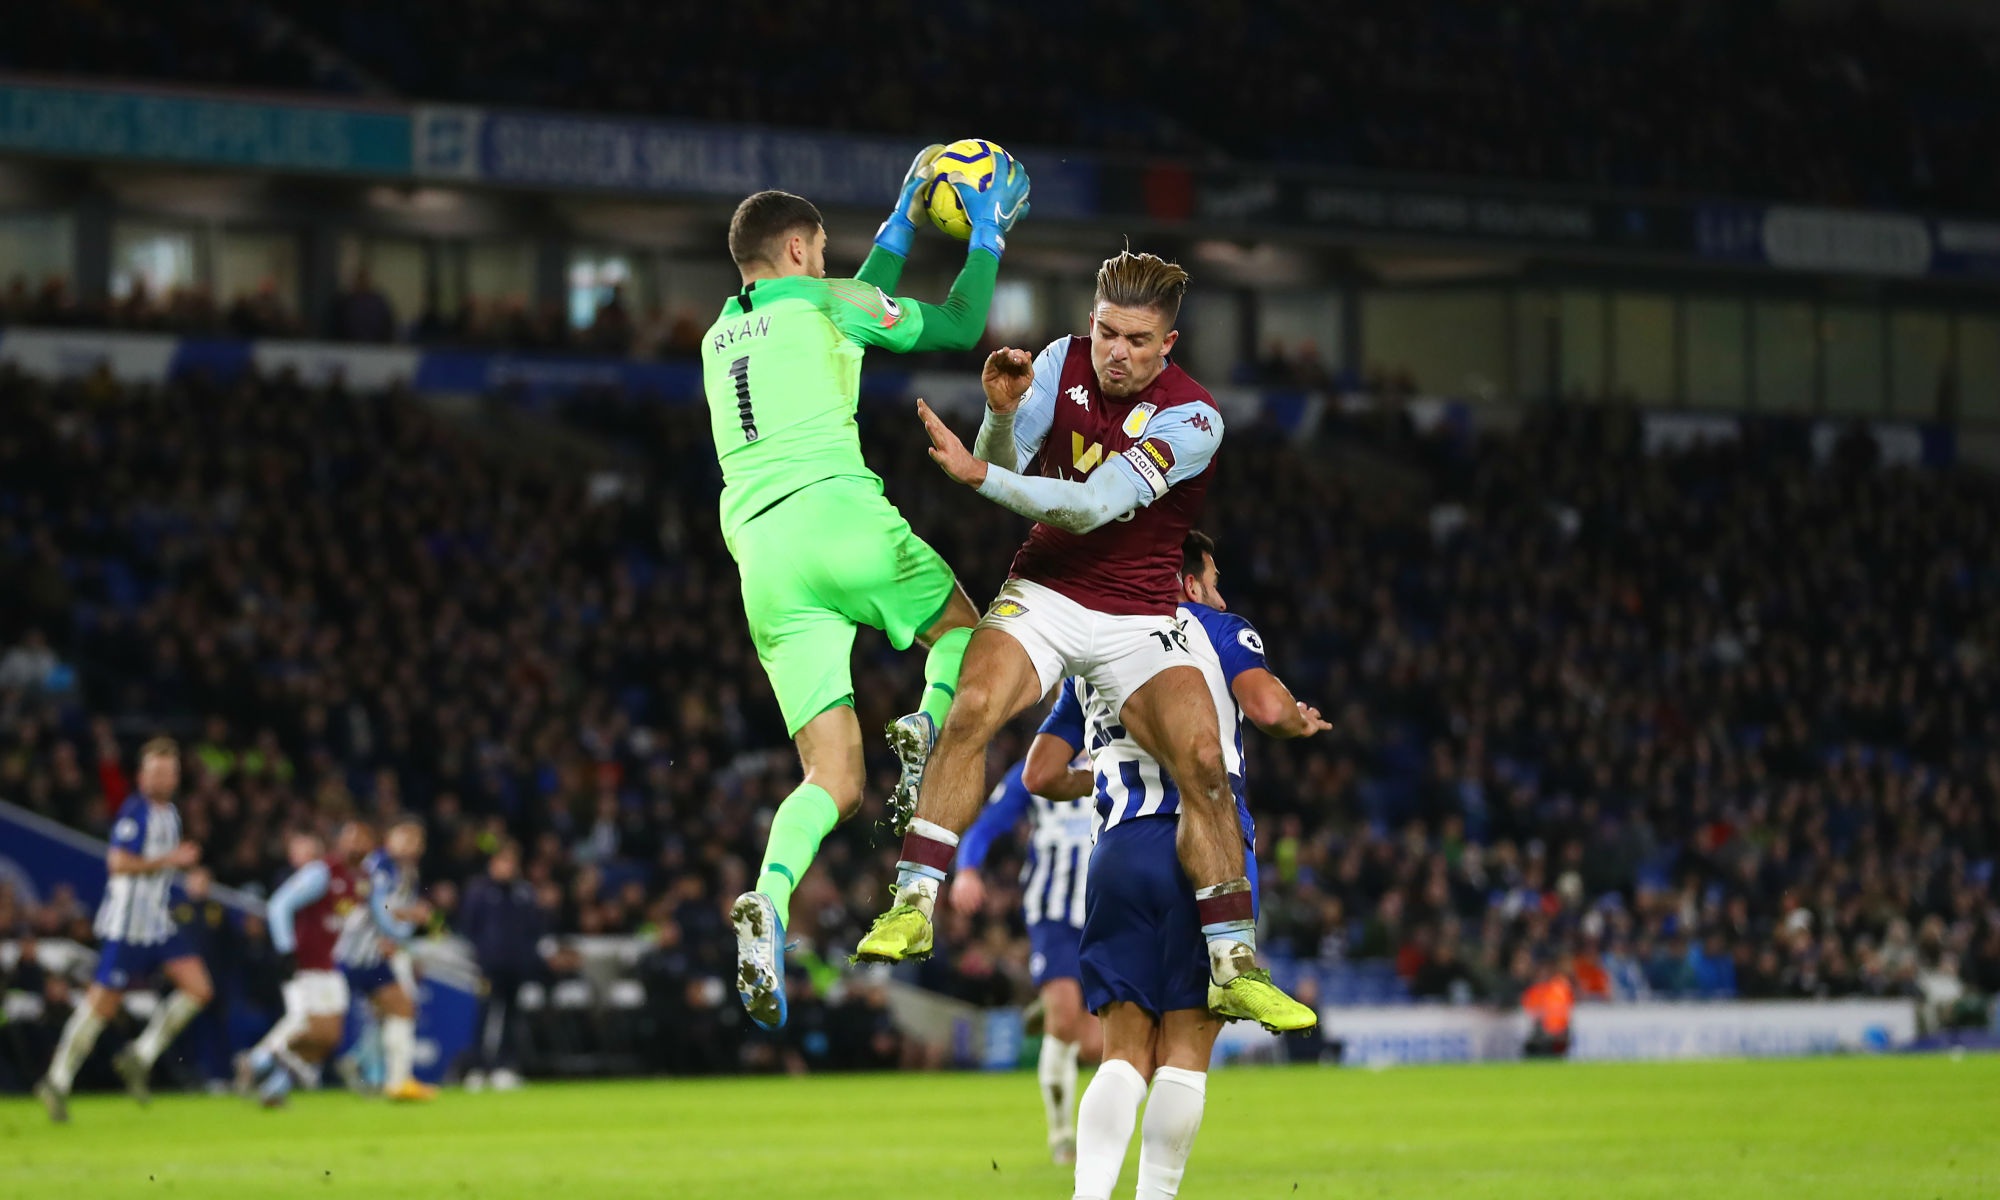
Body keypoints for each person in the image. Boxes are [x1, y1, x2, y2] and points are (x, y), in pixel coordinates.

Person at [857, 251, 1313, 1033]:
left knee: (1204, 761)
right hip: (1047, 591)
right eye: (1106, 332)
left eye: (1137, 340)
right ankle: (914, 902)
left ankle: (1234, 964)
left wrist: (980, 475)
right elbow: (1003, 462)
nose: (1116, 352)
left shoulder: (1195, 418)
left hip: (1141, 612)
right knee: (972, 703)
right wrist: (1000, 417)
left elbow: (1096, 504)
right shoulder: (1058, 362)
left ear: (1168, 344)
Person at [705, 146, 1031, 1031]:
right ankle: (926, 723)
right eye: (826, 248)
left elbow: (847, 315)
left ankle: (767, 900)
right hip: (836, 517)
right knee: (968, 628)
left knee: (833, 778)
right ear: (806, 248)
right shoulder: (829, 302)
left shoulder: (723, 330)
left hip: (763, 560)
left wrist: (899, 218)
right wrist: (987, 233)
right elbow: (962, 324)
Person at [1043, 530, 1331, 1199]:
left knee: (1121, 1055)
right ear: (1190, 580)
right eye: (1215, 576)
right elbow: (1265, 708)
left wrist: (1113, 779)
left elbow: (1040, 772)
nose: (1219, 589)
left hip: (1118, 853)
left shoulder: (1091, 645)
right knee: (1184, 1055)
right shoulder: (1217, 627)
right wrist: (1299, 718)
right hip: (1209, 849)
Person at [36, 738, 212, 1122]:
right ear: (142, 776)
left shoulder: (171, 814)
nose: (163, 778)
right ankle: (57, 1079)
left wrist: (187, 875)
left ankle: (140, 1055)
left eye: (169, 772)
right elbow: (118, 863)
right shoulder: (135, 812)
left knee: (199, 989)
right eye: (156, 772)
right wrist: (171, 858)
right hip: (127, 924)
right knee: (103, 1005)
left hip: (158, 921)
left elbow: (159, 866)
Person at [950, 738, 1100, 1164]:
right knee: (1066, 1018)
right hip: (1053, 913)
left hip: (1108, 915)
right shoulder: (1035, 768)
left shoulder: (1123, 764)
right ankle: (1062, 1138)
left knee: (1093, 1046)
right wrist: (967, 871)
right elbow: (986, 825)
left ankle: (1048, 1004)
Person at [241, 823, 373, 1106]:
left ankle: (275, 1084)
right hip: (302, 961)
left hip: (328, 964)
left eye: (363, 839)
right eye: (352, 838)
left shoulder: (362, 879)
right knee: (302, 1022)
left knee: (328, 1037)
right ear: (339, 843)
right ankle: (257, 1059)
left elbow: (376, 916)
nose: (357, 845)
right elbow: (279, 905)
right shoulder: (322, 872)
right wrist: (285, 951)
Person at [335, 815, 436, 1101]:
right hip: (360, 953)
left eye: (416, 840)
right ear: (388, 839)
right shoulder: (379, 866)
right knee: (401, 1009)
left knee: (393, 1011)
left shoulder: (406, 871)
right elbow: (381, 908)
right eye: (404, 838)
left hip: (378, 951)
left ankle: (366, 1065)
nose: (411, 845)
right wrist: (405, 926)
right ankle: (394, 1079)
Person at [456, 841, 546, 1090]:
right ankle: (476, 1069)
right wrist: (481, 955)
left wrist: (527, 958)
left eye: (511, 863)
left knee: (511, 1017)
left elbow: (534, 927)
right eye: (502, 862)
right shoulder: (479, 891)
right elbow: (468, 926)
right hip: (487, 967)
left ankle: (504, 1067)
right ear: (492, 864)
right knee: (484, 1015)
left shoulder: (524, 892)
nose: (507, 868)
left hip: (516, 967)